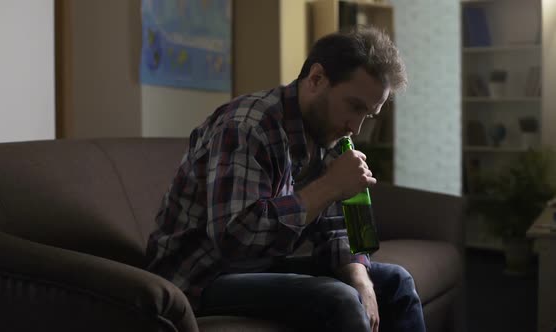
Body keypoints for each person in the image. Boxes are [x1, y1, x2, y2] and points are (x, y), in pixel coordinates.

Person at [146, 26, 425, 332]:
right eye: (354, 106)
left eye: (368, 115)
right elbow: (235, 239)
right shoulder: (247, 126)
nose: (355, 128)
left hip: (266, 263)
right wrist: (330, 185)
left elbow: (336, 227)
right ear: (317, 79)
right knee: (340, 298)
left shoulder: (331, 132)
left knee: (396, 282)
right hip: (201, 274)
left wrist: (360, 275)